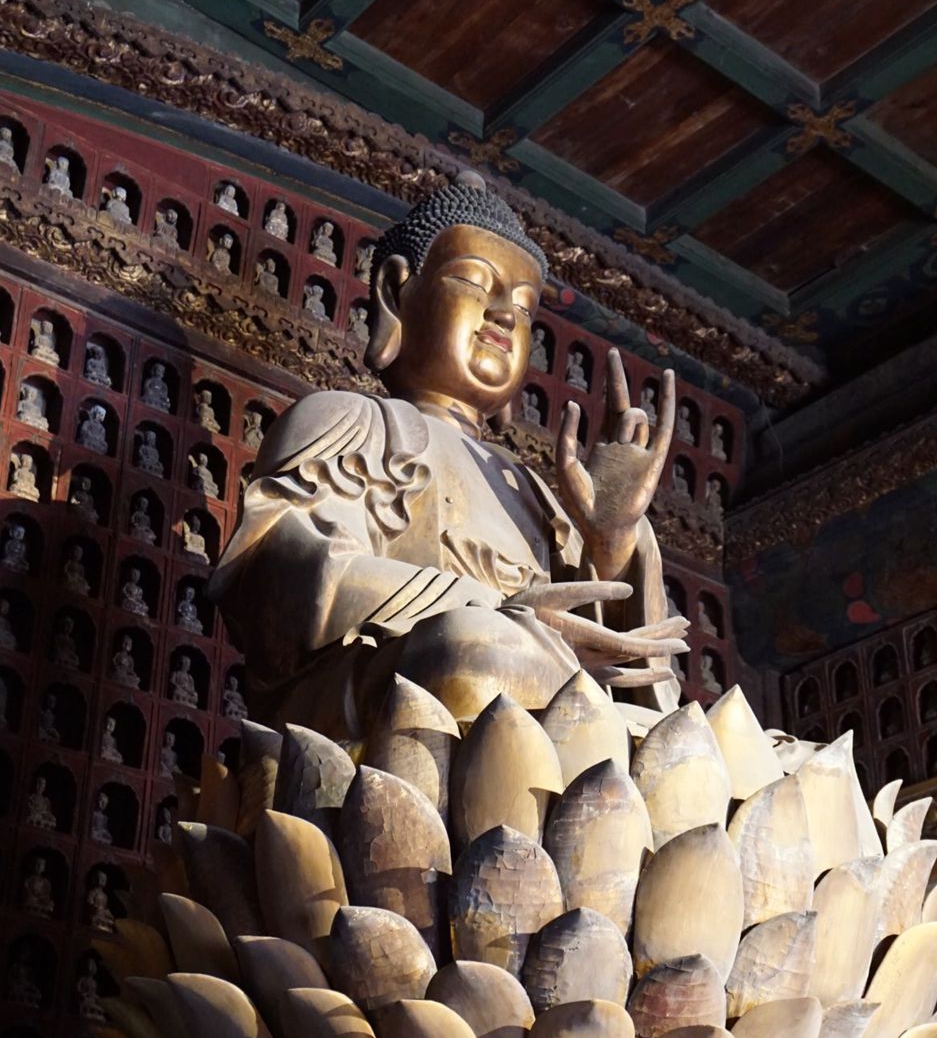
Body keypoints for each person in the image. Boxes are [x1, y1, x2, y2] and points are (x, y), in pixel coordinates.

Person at [211, 173, 684, 736]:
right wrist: (501, 611)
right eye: (474, 282)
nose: (505, 315)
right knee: (476, 650)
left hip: (539, 714)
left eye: (525, 307)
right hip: (392, 698)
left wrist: (611, 542)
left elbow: (621, 675)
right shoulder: (351, 420)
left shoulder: (530, 489)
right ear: (395, 292)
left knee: (742, 745)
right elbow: (286, 576)